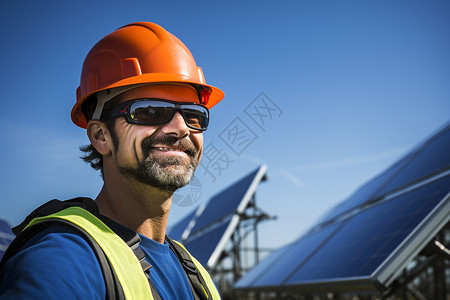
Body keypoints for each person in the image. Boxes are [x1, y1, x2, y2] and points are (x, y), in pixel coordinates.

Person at [0, 22, 224, 299]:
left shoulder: (196, 274)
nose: (181, 128)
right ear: (100, 135)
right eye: (150, 111)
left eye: (194, 115)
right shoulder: (61, 259)